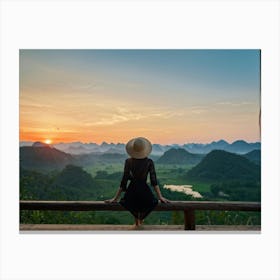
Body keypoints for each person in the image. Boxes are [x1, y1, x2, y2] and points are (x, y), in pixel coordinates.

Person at [105, 137, 170, 227]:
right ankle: (140, 221)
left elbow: (124, 181)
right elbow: (154, 181)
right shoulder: (149, 162)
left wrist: (115, 198)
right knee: (151, 202)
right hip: (144, 190)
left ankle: (136, 223)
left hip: (132, 190)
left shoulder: (128, 162)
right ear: (144, 150)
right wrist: (160, 197)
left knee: (131, 202)